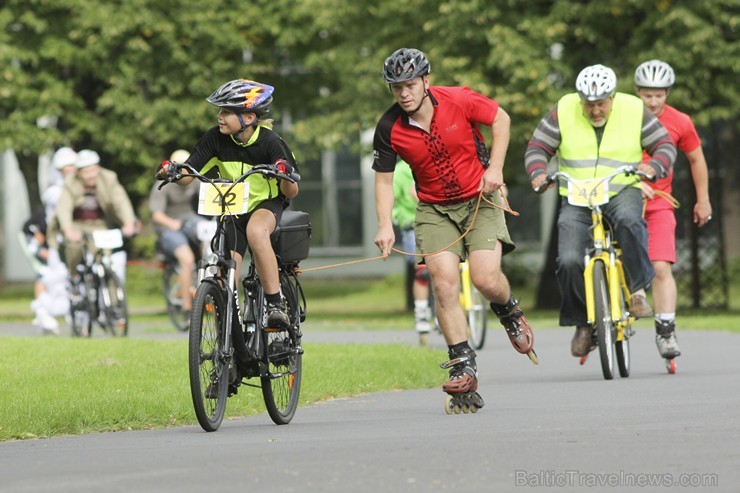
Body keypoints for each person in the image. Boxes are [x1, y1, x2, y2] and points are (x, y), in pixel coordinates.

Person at [373, 48, 535, 408]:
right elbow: (383, 181)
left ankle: (508, 310)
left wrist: (495, 168)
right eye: (395, 87)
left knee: (485, 279)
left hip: (480, 199)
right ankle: (462, 366)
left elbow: (502, 119)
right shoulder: (388, 128)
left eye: (410, 84)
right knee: (443, 283)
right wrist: (385, 225)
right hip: (434, 210)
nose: (403, 93)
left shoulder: (458, 100)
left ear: (426, 81)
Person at [525, 64, 677, 358]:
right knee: (568, 259)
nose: (595, 110)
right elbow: (537, 148)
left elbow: (664, 145)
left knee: (629, 221)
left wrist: (653, 166)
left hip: (621, 188)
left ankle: (636, 291)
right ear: (579, 98)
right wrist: (538, 173)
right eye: (589, 104)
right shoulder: (564, 109)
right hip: (577, 195)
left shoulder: (633, 109)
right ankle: (582, 324)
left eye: (601, 103)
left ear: (612, 97)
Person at [156, 79, 299, 328]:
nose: (220, 117)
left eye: (226, 112)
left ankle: (275, 304)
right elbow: (189, 174)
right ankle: (228, 321)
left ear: (249, 117)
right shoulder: (215, 139)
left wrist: (282, 173)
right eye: (220, 111)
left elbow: (292, 190)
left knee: (256, 232)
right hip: (233, 208)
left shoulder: (270, 142)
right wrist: (174, 172)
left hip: (266, 204)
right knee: (225, 260)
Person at [633, 59, 712, 360]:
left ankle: (665, 331)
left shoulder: (680, 121)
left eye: (659, 95)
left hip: (659, 201)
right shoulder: (623, 117)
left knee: (662, 267)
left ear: (667, 93)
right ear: (637, 92)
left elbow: (696, 159)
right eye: (646, 95)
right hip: (621, 197)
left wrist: (702, 199)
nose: (653, 101)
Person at [51, 149, 137, 286]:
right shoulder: (70, 183)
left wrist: (128, 223)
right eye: (86, 172)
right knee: (74, 246)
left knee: (107, 257)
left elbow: (121, 201)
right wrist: (68, 231)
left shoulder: (108, 178)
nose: (91, 176)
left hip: (99, 224)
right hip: (78, 224)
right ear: (78, 172)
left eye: (93, 170)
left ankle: (112, 298)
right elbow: (64, 209)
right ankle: (73, 276)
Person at [21, 147, 79, 334]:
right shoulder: (55, 193)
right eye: (66, 167)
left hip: (73, 240)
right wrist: (39, 250)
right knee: (53, 279)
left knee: (73, 278)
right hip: (56, 242)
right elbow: (46, 227)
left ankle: (76, 316)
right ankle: (43, 311)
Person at [149, 149, 206, 321]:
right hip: (168, 225)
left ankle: (207, 278)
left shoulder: (193, 180)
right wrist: (171, 223)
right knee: (186, 259)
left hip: (188, 219)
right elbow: (156, 215)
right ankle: (187, 308)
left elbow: (206, 195)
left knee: (209, 237)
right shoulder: (162, 185)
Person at [392, 159, 432, 345]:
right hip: (413, 224)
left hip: (440, 222)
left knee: (448, 270)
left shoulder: (432, 162)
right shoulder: (400, 172)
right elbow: (392, 201)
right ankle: (422, 314)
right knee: (423, 271)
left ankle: (443, 310)